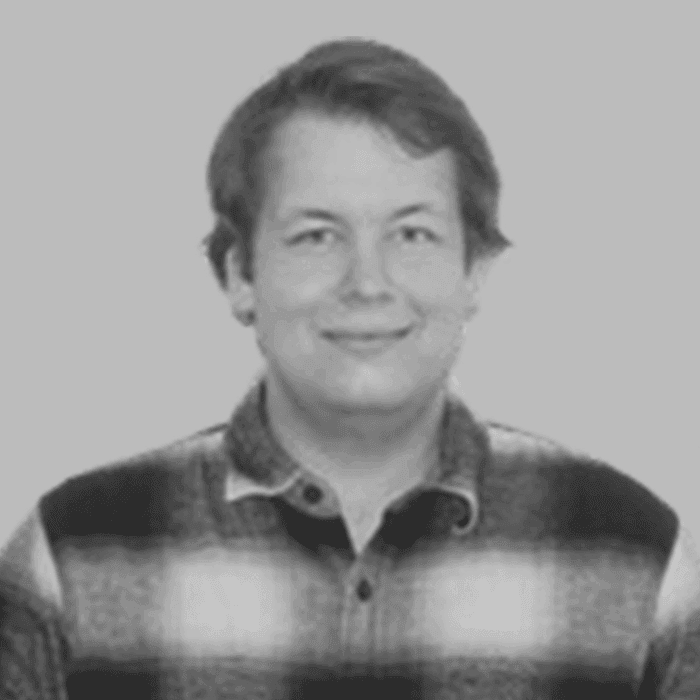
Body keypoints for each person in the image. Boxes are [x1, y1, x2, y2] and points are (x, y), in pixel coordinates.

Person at [1, 37, 698, 700]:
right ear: (239, 275)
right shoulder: (74, 555)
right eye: (317, 236)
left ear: (475, 271)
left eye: (412, 233)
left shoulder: (636, 555)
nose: (368, 282)